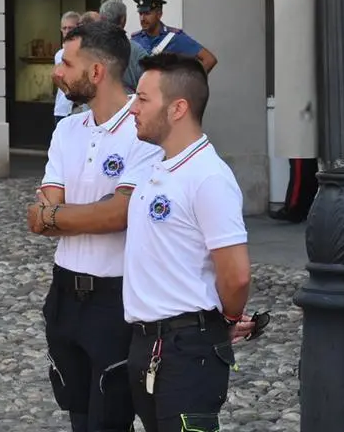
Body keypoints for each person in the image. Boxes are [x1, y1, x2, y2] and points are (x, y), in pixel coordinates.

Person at [26, 20, 164, 432]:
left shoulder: (142, 132)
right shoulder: (68, 129)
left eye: (66, 63)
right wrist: (73, 213)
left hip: (114, 298)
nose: (57, 73)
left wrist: (59, 215)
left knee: (110, 417)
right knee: (77, 413)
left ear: (97, 72)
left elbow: (117, 214)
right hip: (64, 292)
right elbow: (43, 208)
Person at [124, 53, 254, 432]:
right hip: (147, 343)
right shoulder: (156, 166)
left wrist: (226, 322)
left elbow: (237, 274)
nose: (133, 108)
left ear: (178, 108)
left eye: (144, 99)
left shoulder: (208, 176)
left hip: (186, 349)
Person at [130, 0, 218, 72]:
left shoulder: (175, 37)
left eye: (147, 14)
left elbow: (209, 60)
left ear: (159, 14)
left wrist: (189, 83)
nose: (142, 18)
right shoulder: (135, 40)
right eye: (140, 14)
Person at [99, 0, 148, 93]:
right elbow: (149, 86)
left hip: (93, 107)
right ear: (123, 20)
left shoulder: (88, 47)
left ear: (101, 19)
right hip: (128, 105)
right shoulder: (137, 50)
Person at [53, 12, 79, 125]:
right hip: (63, 108)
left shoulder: (85, 52)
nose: (67, 31)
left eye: (71, 28)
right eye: (64, 28)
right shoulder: (60, 54)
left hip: (79, 109)